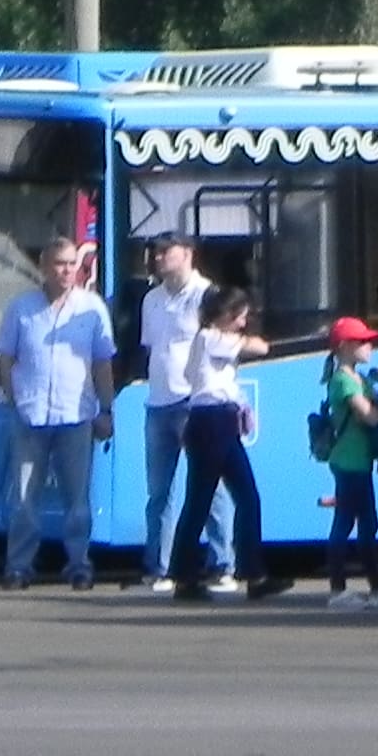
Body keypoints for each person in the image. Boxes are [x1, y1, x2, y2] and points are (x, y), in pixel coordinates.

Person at [0, 237, 114, 592]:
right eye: (60, 264)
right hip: (30, 417)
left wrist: (106, 410)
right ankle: (19, 566)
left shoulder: (92, 309)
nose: (67, 271)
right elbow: (5, 360)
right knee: (24, 500)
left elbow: (103, 363)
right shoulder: (21, 308)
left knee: (77, 501)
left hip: (76, 415)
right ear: (44, 268)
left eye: (72, 264)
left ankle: (79, 564)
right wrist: (15, 400)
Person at [166, 285, 287, 600]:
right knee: (216, 498)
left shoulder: (203, 341)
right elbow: (259, 348)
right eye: (241, 316)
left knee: (227, 498)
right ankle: (198, 576)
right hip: (213, 421)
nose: (244, 323)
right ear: (225, 315)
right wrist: (250, 338)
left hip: (213, 420)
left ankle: (239, 573)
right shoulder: (211, 338)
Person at [137, 236, 229, 595]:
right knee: (159, 492)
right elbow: (152, 350)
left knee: (209, 487)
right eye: (156, 253)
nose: (158, 258)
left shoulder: (207, 295)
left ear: (188, 255)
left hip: (196, 405)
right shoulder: (152, 299)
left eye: (166, 252)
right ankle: (160, 568)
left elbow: (223, 345)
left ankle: (222, 564)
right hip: (158, 404)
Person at [319, 314, 378, 608]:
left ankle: (377, 588)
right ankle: (338, 591)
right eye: (362, 341)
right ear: (344, 347)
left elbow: (366, 392)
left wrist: (375, 379)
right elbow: (369, 415)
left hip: (359, 461)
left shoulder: (358, 378)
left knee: (368, 524)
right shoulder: (342, 381)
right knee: (346, 524)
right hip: (348, 462)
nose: (369, 346)